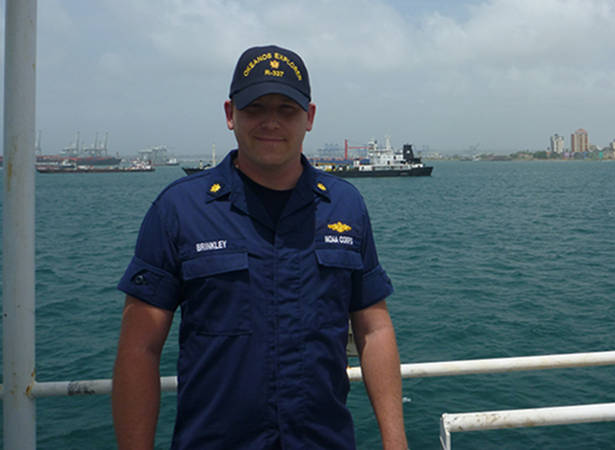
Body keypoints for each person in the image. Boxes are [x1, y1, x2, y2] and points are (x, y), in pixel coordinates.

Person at [112, 45, 407, 449]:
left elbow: (374, 329)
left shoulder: (345, 205)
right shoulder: (179, 209)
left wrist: (396, 443)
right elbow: (139, 349)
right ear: (231, 114)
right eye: (255, 108)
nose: (271, 122)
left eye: (287, 109)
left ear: (310, 117)